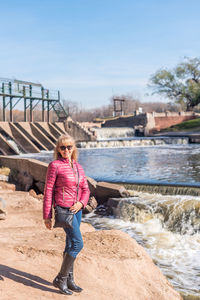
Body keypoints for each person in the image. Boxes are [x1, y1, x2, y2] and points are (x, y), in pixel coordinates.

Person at [43, 134, 90, 295]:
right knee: (78, 244)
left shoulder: (78, 167)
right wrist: (47, 215)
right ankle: (61, 279)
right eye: (62, 147)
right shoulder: (54, 165)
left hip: (77, 210)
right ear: (58, 149)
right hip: (64, 210)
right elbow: (48, 191)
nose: (66, 150)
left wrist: (81, 203)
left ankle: (70, 279)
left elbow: (86, 189)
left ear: (73, 148)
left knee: (70, 244)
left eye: (69, 147)